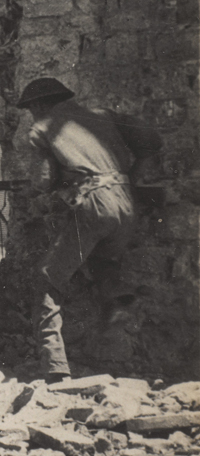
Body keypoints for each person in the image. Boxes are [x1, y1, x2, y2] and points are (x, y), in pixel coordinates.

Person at [16, 77, 162, 382]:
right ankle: (117, 309)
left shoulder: (42, 128)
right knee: (102, 262)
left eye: (31, 109)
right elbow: (150, 140)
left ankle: (54, 368)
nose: (32, 115)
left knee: (47, 277)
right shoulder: (102, 115)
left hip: (95, 204)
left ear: (40, 105)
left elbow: (43, 180)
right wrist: (131, 175)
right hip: (127, 204)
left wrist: (46, 187)